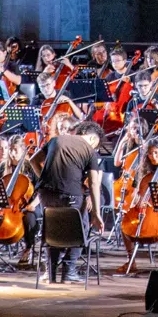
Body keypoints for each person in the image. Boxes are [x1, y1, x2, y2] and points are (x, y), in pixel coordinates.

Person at [34, 119, 103, 283]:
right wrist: (96, 213)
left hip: (45, 194)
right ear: (92, 138)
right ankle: (69, 270)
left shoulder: (56, 139)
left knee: (52, 229)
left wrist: (44, 178)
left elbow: (33, 161)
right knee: (81, 228)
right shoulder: (89, 150)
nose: (95, 148)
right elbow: (94, 182)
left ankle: (50, 272)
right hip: (70, 196)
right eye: (96, 144)